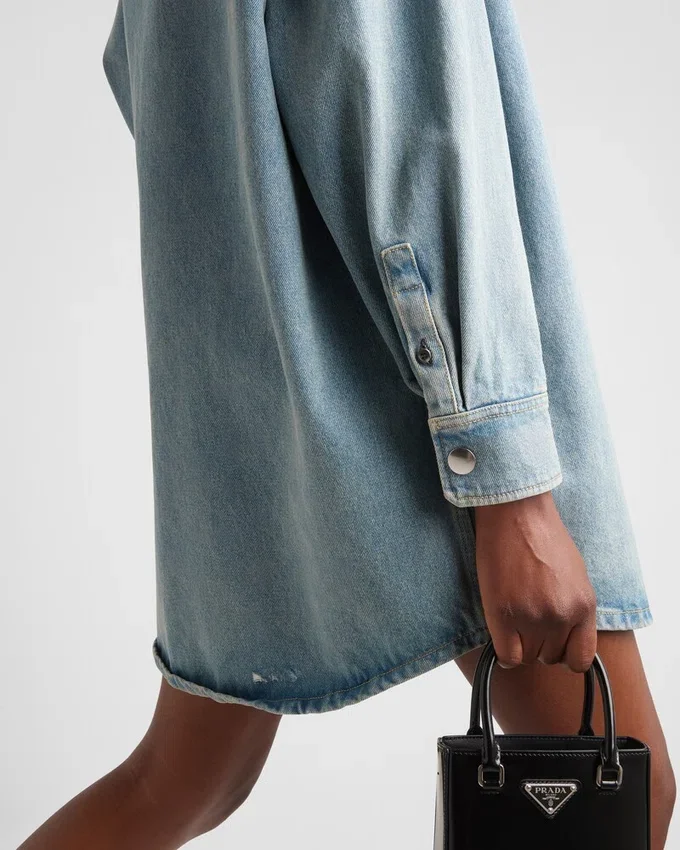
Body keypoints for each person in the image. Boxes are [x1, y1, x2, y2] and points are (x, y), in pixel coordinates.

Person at [18, 1, 675, 848]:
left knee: (178, 784)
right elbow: (419, 130)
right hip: (432, 414)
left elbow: (145, 78)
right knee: (619, 792)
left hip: (250, 427)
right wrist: (507, 483)